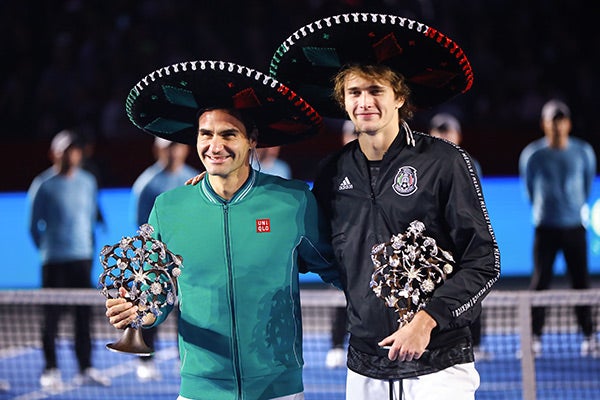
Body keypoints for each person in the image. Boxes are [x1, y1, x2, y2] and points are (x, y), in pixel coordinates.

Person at [269, 13, 500, 399]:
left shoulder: (444, 161)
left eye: (376, 91)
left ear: (400, 97)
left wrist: (426, 321)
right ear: (343, 101)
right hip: (364, 367)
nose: (365, 102)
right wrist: (223, 186)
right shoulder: (332, 172)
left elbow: (484, 260)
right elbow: (303, 248)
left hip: (438, 363)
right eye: (355, 93)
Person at [105, 60, 340, 400]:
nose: (215, 146)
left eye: (229, 134)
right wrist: (138, 311)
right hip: (199, 390)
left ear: (251, 140)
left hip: (279, 390)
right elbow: (157, 294)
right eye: (206, 134)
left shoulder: (293, 201)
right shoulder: (168, 208)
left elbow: (337, 266)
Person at [27, 129, 111, 390]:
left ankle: (85, 366)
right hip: (54, 262)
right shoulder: (43, 184)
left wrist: (86, 248)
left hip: (81, 260)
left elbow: (90, 219)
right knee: (51, 317)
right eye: (65, 150)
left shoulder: (88, 181)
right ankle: (51, 368)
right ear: (55, 153)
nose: (71, 154)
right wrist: (49, 250)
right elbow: (33, 227)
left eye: (75, 150)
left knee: (83, 316)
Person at [518, 99, 598, 357]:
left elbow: (586, 186)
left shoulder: (584, 151)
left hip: (575, 227)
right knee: (540, 284)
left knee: (581, 285)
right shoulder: (532, 155)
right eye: (553, 120)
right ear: (544, 124)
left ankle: (589, 336)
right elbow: (529, 190)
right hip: (546, 229)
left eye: (561, 120)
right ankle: (534, 339)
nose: (557, 125)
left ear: (568, 123)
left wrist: (573, 210)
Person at [130, 136, 199, 380]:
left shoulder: (195, 179)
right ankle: (146, 360)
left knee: (188, 313)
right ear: (158, 150)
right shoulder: (147, 183)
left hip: (187, 263)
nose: (173, 152)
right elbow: (143, 227)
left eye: (177, 146)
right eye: (168, 147)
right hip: (157, 263)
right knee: (152, 309)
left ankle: (186, 361)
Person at [429, 112, 489, 361]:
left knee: (470, 290)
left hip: (460, 242)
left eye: (448, 130)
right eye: (439, 131)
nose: (443, 135)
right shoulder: (423, 164)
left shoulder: (469, 164)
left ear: (458, 134)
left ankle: (476, 342)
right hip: (433, 246)